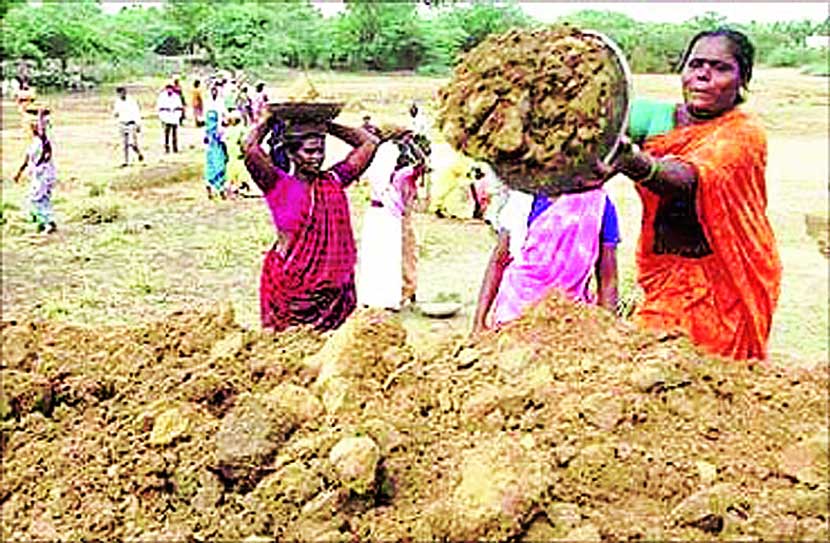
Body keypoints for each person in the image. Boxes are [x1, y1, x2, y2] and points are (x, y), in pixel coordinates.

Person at [605, 28, 780, 361]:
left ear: (742, 80)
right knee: (653, 362)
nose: (703, 74)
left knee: (715, 375)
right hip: (666, 274)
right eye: (696, 64)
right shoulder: (655, 117)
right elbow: (597, 125)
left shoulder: (743, 134)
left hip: (727, 279)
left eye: (720, 67)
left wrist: (630, 160)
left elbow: (686, 179)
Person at [243, 110, 404, 332]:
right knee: (288, 347)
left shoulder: (333, 180)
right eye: (309, 151)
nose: (317, 157)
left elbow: (369, 143)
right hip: (290, 292)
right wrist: (271, 119)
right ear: (291, 153)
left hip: (334, 295)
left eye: (320, 150)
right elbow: (250, 148)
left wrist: (325, 125)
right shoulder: (278, 184)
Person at [472, 187, 620, 334]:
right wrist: (479, 322)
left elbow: (608, 279)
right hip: (516, 314)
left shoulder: (598, 203)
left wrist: (608, 329)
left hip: (571, 317)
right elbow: (499, 260)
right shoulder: (523, 200)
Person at [13, 109, 58, 234]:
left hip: (44, 175)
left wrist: (40, 116)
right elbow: (26, 159)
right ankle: (46, 221)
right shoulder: (34, 143)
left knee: (36, 199)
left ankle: (47, 223)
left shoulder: (43, 141)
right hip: (40, 175)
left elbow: (42, 130)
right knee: (42, 198)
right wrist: (19, 173)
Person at [113, 86, 144, 167]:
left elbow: (136, 113)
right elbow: (116, 113)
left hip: (131, 123)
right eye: (119, 93)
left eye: (122, 92)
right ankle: (125, 161)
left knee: (132, 143)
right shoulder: (117, 102)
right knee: (124, 144)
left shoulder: (131, 101)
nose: (121, 94)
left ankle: (139, 153)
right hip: (122, 123)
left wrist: (138, 124)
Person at [223, 110, 251, 197]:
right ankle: (237, 186)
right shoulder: (240, 129)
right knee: (238, 169)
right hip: (236, 152)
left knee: (234, 169)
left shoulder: (230, 130)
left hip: (233, 152)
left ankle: (233, 186)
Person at [203, 109, 228, 200]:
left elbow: (205, 142)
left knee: (210, 168)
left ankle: (209, 185)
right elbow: (223, 141)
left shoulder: (207, 131)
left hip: (209, 152)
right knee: (219, 168)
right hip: (218, 151)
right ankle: (220, 189)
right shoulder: (219, 131)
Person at [156, 84, 184, 153]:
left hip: (174, 116)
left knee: (174, 133)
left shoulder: (176, 97)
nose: (169, 90)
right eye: (168, 89)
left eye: (170, 89)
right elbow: (160, 107)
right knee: (167, 133)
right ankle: (167, 147)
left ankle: (175, 148)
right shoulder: (162, 96)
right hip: (166, 117)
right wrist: (165, 111)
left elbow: (180, 107)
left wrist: (177, 113)